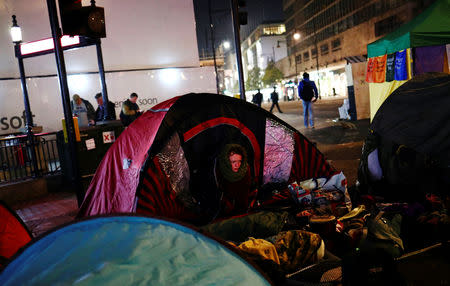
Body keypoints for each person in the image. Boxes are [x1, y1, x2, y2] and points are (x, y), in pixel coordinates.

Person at [215, 144, 255, 216]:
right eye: (233, 162)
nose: (237, 165)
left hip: (241, 209)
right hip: (222, 209)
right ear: (227, 161)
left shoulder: (245, 169)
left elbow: (245, 193)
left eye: (239, 161)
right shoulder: (220, 169)